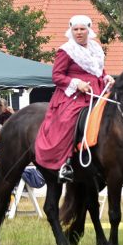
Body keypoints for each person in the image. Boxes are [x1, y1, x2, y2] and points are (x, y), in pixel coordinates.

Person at [34, 15, 110, 183]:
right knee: (69, 121)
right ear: (71, 31)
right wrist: (77, 83)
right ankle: (66, 164)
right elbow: (57, 76)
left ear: (88, 30)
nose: (79, 32)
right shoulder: (66, 50)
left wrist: (107, 78)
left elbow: (99, 71)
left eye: (82, 29)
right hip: (74, 96)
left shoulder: (96, 48)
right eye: (75, 29)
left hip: (97, 93)